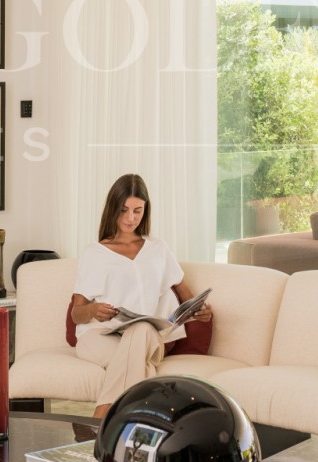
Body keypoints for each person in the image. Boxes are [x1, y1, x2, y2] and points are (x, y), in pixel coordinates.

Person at [70, 173, 212, 419]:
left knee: (142, 328)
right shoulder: (95, 253)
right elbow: (76, 314)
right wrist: (93, 310)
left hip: (149, 338)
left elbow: (188, 298)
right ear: (112, 208)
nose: (130, 218)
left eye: (138, 211)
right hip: (99, 336)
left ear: (146, 210)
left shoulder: (158, 249)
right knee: (139, 365)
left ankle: (101, 419)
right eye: (124, 210)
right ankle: (136, 423)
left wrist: (201, 311)